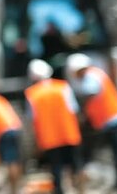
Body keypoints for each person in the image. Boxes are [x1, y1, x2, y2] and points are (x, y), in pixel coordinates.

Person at [65, 53, 117, 192]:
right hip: (108, 119)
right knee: (114, 151)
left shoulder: (91, 76)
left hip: (112, 118)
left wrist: (80, 110)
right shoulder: (94, 74)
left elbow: (90, 94)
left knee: (116, 152)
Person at [25, 59, 84, 194]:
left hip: (49, 138)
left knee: (56, 169)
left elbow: (32, 120)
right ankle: (81, 190)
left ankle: (60, 191)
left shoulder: (32, 93)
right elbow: (74, 110)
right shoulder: (63, 86)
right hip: (69, 133)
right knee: (76, 166)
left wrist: (35, 143)